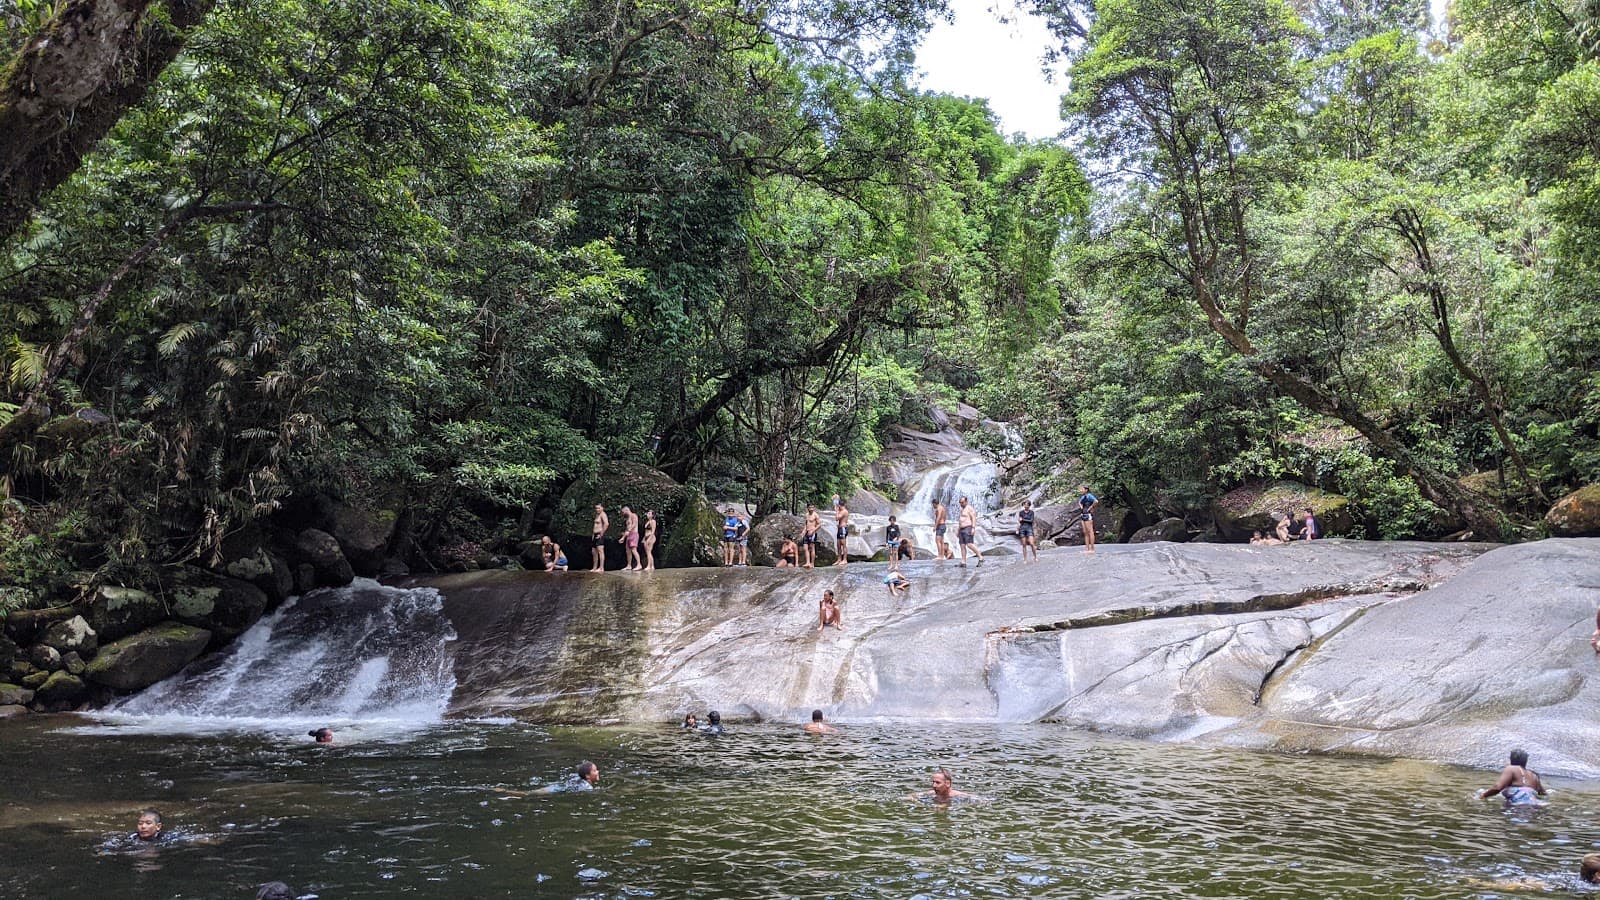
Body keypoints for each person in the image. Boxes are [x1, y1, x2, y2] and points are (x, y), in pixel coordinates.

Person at [1479, 748, 1546, 805]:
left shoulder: (1511, 768)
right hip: (1535, 805)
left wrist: (1483, 796)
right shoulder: (1534, 775)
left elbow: (1497, 788)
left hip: (1517, 805)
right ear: (1526, 761)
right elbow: (1542, 793)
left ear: (1511, 759)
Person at [909, 768, 979, 804]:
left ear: (947, 784)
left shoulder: (957, 795)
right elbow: (912, 795)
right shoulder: (931, 793)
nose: (934, 786)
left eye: (938, 783)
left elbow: (976, 798)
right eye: (933, 782)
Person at [956, 495, 983, 567]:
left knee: (969, 544)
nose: (961, 504)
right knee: (962, 545)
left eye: (962, 502)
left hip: (968, 528)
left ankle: (980, 557)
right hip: (961, 529)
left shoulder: (970, 508)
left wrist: (973, 528)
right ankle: (963, 562)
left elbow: (973, 518)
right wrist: (958, 530)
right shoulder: (962, 509)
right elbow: (960, 521)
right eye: (960, 503)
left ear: (966, 501)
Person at [1078, 485, 1099, 554]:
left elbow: (1096, 501)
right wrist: (1081, 507)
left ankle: (1092, 549)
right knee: (1085, 532)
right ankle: (1087, 549)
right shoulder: (1083, 497)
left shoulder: (1089, 495)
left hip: (1088, 514)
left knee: (1090, 531)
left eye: (1082, 489)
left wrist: (1091, 507)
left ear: (1086, 490)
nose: (1081, 490)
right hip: (1083, 514)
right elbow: (1080, 502)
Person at [621, 505, 642, 571]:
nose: (623, 513)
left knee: (633, 549)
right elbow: (627, 529)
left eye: (623, 512)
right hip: (628, 535)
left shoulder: (634, 515)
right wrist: (623, 537)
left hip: (634, 534)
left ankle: (639, 564)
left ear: (627, 510)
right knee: (628, 551)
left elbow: (634, 524)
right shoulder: (627, 519)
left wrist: (629, 530)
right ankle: (629, 565)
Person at [591, 504, 609, 572]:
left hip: (599, 534)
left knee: (600, 551)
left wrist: (601, 534)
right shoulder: (597, 515)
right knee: (594, 551)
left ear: (602, 508)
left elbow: (606, 524)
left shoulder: (603, 514)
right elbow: (595, 525)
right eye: (596, 508)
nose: (597, 509)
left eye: (598, 508)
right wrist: (593, 535)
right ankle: (594, 567)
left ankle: (601, 567)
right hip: (595, 534)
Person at [833, 501, 850, 567]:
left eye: (838, 506)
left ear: (840, 505)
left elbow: (837, 518)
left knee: (843, 544)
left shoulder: (844, 511)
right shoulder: (841, 511)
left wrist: (836, 511)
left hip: (843, 529)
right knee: (838, 545)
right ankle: (839, 559)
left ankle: (845, 559)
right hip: (840, 529)